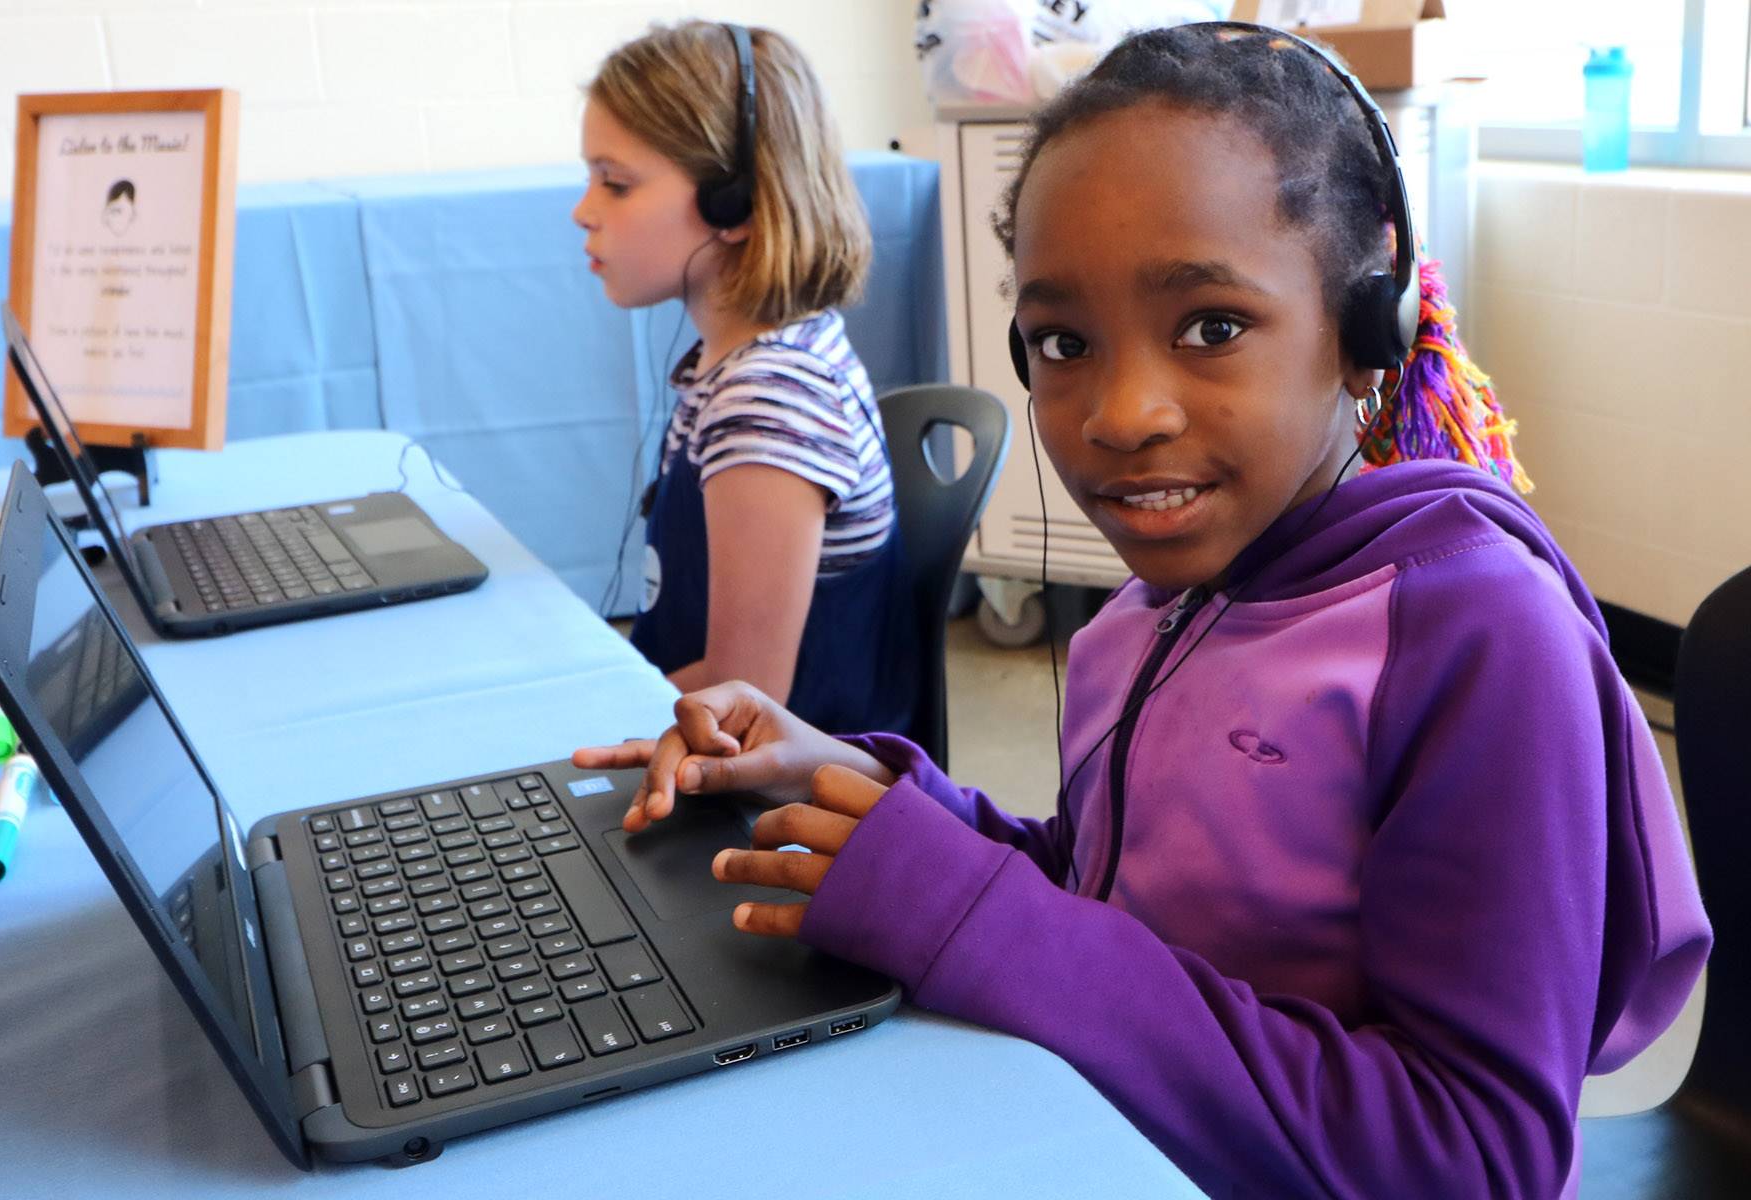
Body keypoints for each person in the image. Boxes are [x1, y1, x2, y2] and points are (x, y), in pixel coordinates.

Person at [576, 23, 1711, 1198]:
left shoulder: (1475, 639)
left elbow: (1473, 1161)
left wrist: (973, 914)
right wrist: (851, 786)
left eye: (1211, 327)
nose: (1121, 413)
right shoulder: (1147, 619)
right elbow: (1108, 898)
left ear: (1369, 333)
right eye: (1063, 342)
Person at [573, 21, 915, 735]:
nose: (584, 210)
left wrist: (574, 724)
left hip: (772, 807)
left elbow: (745, 694)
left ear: (735, 203)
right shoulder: (739, 365)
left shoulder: (770, 401)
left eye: (615, 183)